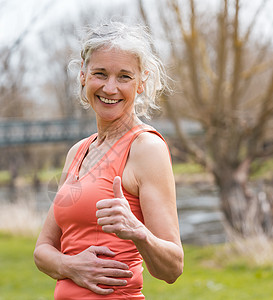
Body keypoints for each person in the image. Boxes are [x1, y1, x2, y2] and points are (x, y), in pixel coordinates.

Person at [33, 21, 184, 299]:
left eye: (124, 76)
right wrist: (71, 266)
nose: (110, 88)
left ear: (141, 82)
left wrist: (138, 231)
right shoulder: (78, 151)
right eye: (100, 73)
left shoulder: (146, 148)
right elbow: (42, 251)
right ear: (83, 75)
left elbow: (172, 267)